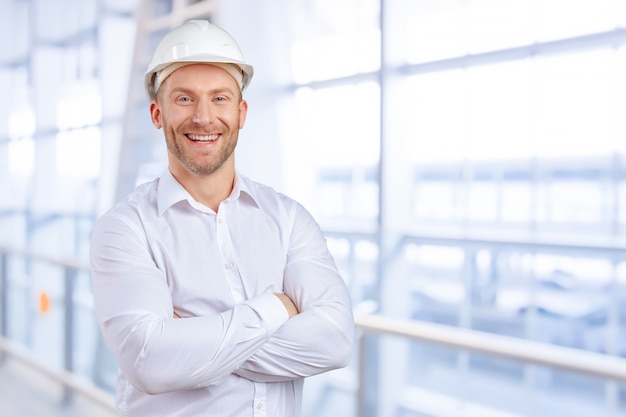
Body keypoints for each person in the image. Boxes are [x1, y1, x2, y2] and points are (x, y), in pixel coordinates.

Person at [90, 20, 354, 417]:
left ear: (241, 112)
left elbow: (335, 340)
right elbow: (150, 360)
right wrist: (275, 309)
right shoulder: (125, 229)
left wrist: (192, 341)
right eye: (183, 99)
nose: (203, 117)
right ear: (156, 113)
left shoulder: (288, 219)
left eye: (219, 98)